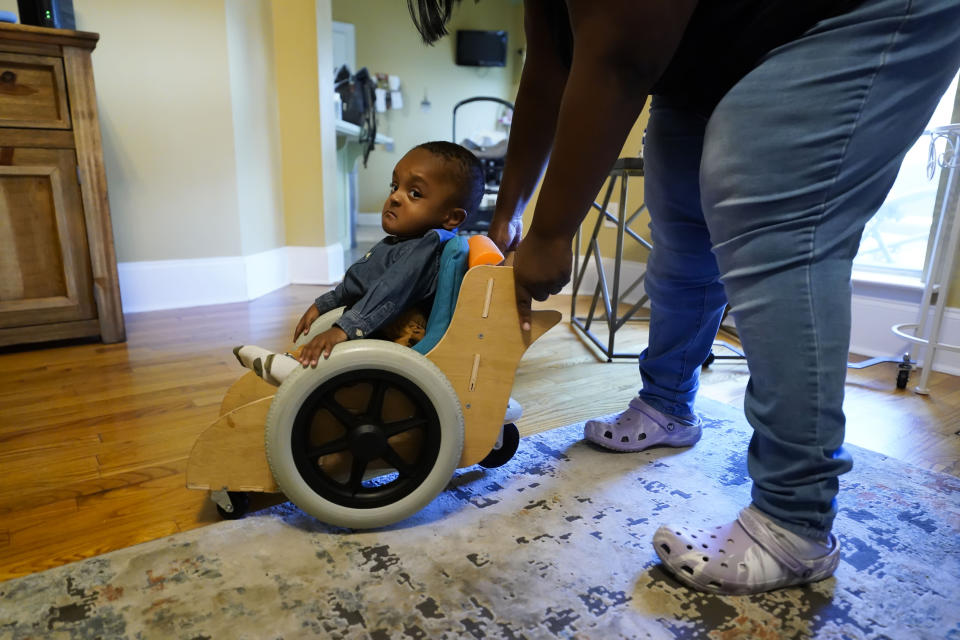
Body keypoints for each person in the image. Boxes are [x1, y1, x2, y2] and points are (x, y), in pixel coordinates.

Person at [408, 0, 960, 595]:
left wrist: (550, 234)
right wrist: (511, 215)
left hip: (867, 11)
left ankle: (795, 518)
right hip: (716, 53)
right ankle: (668, 406)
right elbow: (549, 69)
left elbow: (620, 57)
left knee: (766, 189)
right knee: (679, 215)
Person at [235, 141, 484, 384]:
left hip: (401, 334)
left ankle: (301, 370)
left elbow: (391, 289)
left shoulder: (427, 248)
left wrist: (345, 329)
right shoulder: (403, 242)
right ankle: (297, 364)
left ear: (451, 217)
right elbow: (365, 277)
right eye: (394, 185)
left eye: (414, 193)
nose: (395, 197)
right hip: (377, 321)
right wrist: (325, 303)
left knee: (344, 338)